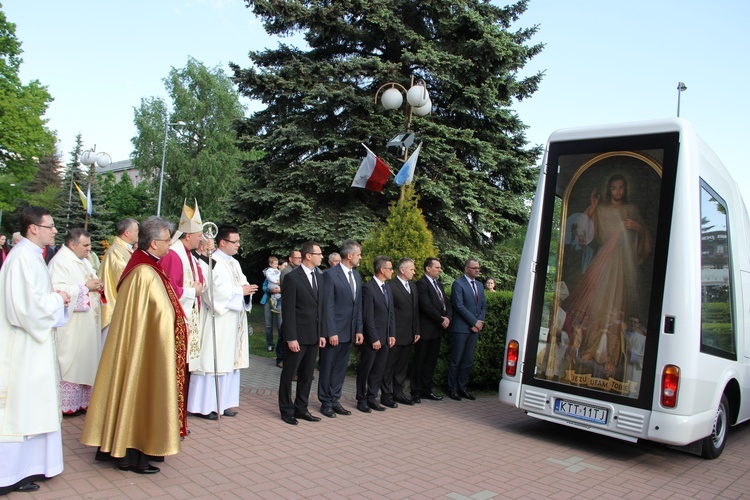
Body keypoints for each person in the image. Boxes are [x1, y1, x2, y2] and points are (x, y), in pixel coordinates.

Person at [81, 216, 187, 474]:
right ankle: (133, 452)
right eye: (166, 241)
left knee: (129, 388)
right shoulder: (144, 272)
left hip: (142, 344)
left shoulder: (146, 266)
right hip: (145, 349)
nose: (169, 246)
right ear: (153, 243)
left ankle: (118, 444)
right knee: (138, 390)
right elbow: (158, 315)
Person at [0, 207, 70, 495]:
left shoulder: (31, 257)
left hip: (34, 345)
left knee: (33, 406)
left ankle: (27, 467)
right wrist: (59, 299)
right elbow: (26, 310)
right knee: (20, 410)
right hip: (22, 347)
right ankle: (8, 475)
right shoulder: (21, 260)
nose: (54, 231)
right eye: (50, 226)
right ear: (33, 228)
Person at [188, 225, 257, 419]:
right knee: (213, 361)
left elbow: (240, 283)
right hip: (218, 319)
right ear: (223, 242)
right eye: (235, 242)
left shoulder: (234, 263)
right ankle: (204, 406)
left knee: (230, 362)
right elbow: (211, 291)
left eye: (238, 241)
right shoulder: (211, 261)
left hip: (233, 319)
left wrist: (246, 291)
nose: (238, 245)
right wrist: (239, 292)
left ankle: (223, 403)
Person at [48, 228, 104, 416]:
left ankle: (81, 402)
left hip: (87, 324)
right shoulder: (60, 262)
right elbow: (57, 291)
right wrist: (84, 287)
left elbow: (90, 282)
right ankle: (67, 404)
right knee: (71, 360)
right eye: (85, 245)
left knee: (85, 360)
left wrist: (97, 285)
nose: (89, 249)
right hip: (72, 325)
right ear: (72, 244)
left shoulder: (84, 262)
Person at [159, 200, 206, 417]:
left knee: (184, 370)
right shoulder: (173, 255)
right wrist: (192, 292)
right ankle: (171, 416)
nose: (202, 239)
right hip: (174, 322)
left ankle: (179, 416)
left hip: (188, 319)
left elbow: (199, 281)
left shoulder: (188, 254)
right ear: (188, 236)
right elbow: (166, 290)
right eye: (199, 235)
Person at [278, 241, 326, 425]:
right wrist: (290, 337)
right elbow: (288, 310)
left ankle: (301, 408)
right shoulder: (292, 277)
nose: (321, 257)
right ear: (308, 256)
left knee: (307, 374)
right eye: (319, 253)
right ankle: (286, 409)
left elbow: (319, 308)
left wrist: (321, 334)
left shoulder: (320, 277)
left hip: (313, 335)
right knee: (289, 374)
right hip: (297, 336)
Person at [318, 240, 363, 418]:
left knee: (340, 368)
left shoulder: (357, 276)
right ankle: (325, 402)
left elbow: (357, 305)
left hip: (350, 330)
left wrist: (359, 329)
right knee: (328, 366)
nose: (360, 257)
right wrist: (331, 331)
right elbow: (327, 305)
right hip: (335, 331)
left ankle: (335, 399)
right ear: (349, 255)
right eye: (359, 254)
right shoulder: (330, 275)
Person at [357, 255, 396, 413]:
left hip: (385, 338)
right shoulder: (368, 288)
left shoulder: (387, 287)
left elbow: (390, 313)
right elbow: (367, 316)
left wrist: (391, 334)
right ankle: (361, 399)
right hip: (373, 339)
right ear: (382, 270)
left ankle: (372, 397)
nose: (392, 271)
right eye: (390, 268)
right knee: (366, 370)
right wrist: (374, 338)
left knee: (378, 369)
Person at [380, 257, 420, 407]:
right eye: (412, 269)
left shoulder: (413, 287)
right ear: (402, 270)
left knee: (402, 367)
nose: (414, 272)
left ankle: (399, 392)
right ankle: (386, 394)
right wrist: (391, 333)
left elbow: (415, 310)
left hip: (409, 334)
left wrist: (416, 330)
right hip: (395, 334)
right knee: (389, 366)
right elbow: (389, 312)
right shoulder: (391, 286)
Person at [412, 257, 451, 403]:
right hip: (426, 330)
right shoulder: (421, 284)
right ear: (428, 268)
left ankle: (426, 390)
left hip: (437, 330)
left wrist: (448, 318)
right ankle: (415, 391)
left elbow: (446, 303)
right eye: (437, 267)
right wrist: (441, 319)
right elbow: (426, 306)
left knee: (431, 362)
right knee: (420, 361)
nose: (440, 270)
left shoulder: (439, 284)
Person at [447, 259, 487, 401]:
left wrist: (480, 321)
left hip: (475, 329)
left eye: (478, 267)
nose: (477, 270)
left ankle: (462, 388)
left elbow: (483, 304)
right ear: (466, 269)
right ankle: (452, 389)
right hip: (461, 328)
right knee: (456, 360)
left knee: (467, 361)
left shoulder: (480, 285)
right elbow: (459, 306)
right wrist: (474, 321)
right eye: (474, 267)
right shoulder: (458, 284)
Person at [99, 218, 138, 350]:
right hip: (114, 306)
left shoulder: (124, 250)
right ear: (127, 233)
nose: (139, 233)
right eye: (136, 230)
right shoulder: (117, 251)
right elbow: (124, 278)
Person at [275, 249, 302, 368]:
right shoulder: (287, 272)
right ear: (291, 259)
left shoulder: (297, 270)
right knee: (284, 331)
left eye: (301, 258)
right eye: (297, 258)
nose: (299, 260)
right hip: (286, 304)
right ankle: (280, 357)